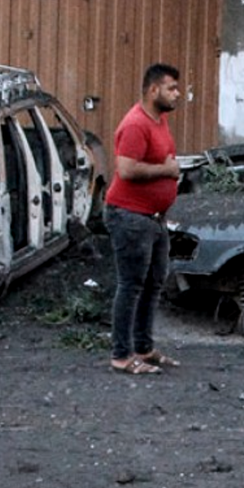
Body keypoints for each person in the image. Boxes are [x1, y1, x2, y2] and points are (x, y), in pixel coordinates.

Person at [106, 63, 183, 375]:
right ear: (153, 90)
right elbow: (126, 169)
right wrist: (167, 171)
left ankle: (144, 347)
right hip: (130, 217)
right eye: (171, 88)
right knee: (131, 286)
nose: (177, 94)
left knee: (153, 284)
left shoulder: (159, 120)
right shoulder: (136, 124)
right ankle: (121, 356)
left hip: (153, 219)